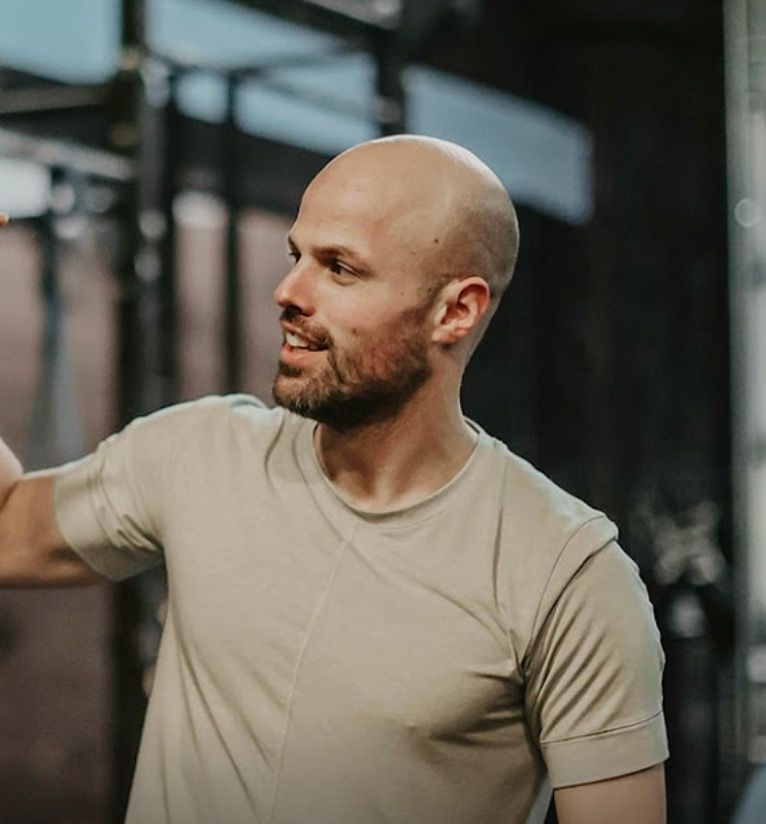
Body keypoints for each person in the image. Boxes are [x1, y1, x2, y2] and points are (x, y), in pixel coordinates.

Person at [0, 136, 667, 824]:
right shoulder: (196, 453)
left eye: (340, 268)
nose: (288, 293)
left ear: (455, 311)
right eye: (298, 257)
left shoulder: (566, 575)